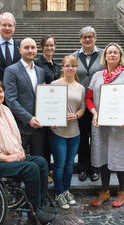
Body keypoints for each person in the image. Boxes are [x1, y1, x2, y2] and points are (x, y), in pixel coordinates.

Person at [0, 78, 56, 224]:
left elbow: (14, 136)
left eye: (0, 91)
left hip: (9, 154)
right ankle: (33, 212)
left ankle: (39, 205)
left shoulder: (6, 110)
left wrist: (20, 151)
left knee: (41, 162)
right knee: (31, 168)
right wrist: (6, 158)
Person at [86, 43, 124, 207]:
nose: (112, 55)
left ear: (120, 56)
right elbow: (88, 98)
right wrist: (94, 113)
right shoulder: (97, 76)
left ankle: (122, 191)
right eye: (109, 52)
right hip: (100, 124)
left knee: (119, 156)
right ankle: (105, 190)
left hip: (119, 126)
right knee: (102, 156)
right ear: (105, 56)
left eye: (116, 52)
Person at [48, 56, 85, 209]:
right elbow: (48, 105)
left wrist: (76, 115)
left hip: (74, 131)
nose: (70, 68)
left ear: (76, 68)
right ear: (62, 68)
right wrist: (49, 120)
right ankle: (59, 193)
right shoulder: (54, 84)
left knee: (70, 164)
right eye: (67, 65)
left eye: (73, 66)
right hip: (58, 131)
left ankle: (66, 190)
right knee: (60, 164)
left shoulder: (81, 87)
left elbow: (82, 108)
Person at [71, 26, 105, 182]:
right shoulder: (73, 57)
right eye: (84, 37)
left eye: (91, 36)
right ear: (80, 39)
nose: (88, 39)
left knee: (97, 137)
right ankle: (83, 168)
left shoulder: (104, 55)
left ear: (95, 38)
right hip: (81, 104)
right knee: (83, 137)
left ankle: (95, 168)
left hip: (99, 103)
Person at [4, 38, 45, 157]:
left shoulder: (40, 71)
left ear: (37, 50)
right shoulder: (11, 70)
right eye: (26, 48)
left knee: (38, 160)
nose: (30, 50)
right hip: (20, 126)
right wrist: (29, 119)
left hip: (39, 126)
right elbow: (11, 100)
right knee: (18, 161)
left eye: (33, 47)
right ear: (20, 50)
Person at [34, 35, 61, 183]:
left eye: (52, 45)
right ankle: (43, 172)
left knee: (52, 141)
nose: (49, 48)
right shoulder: (37, 64)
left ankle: (50, 169)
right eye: (47, 45)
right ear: (42, 47)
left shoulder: (57, 65)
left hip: (54, 108)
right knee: (42, 143)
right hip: (42, 108)